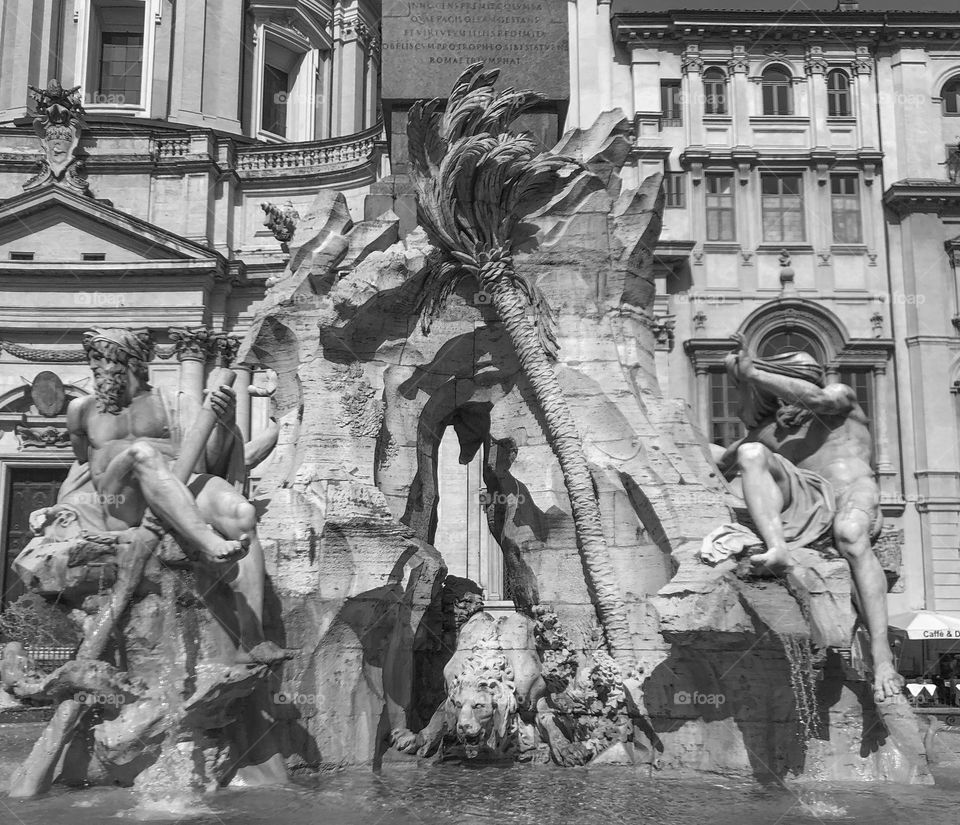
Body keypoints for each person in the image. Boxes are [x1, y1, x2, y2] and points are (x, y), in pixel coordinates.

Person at [64, 327, 277, 664]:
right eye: (93, 361)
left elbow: (210, 455)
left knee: (241, 514)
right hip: (120, 502)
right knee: (142, 453)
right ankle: (208, 541)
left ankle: (251, 640)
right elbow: (80, 464)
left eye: (102, 360)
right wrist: (67, 509)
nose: (95, 369)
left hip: (173, 487)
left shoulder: (172, 403)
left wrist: (223, 418)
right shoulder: (82, 409)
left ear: (130, 362)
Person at [712, 339, 903, 702]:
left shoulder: (839, 397)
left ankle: (882, 655)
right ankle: (778, 548)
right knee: (752, 451)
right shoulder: (769, 432)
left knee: (849, 533)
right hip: (807, 499)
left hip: (852, 491)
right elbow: (719, 461)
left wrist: (752, 372)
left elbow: (817, 400)